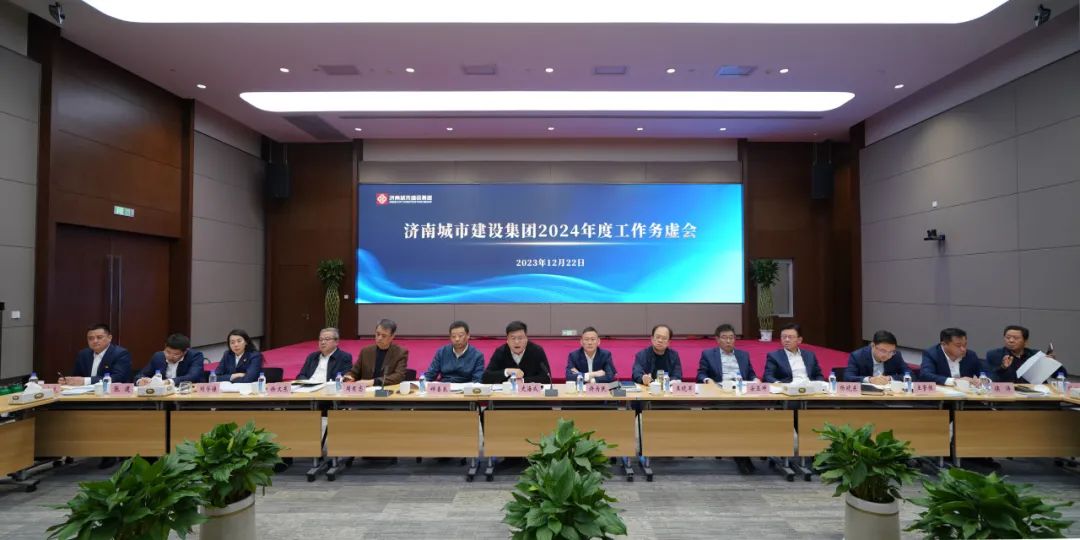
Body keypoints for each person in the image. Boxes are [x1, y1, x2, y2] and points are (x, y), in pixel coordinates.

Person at [696, 323, 758, 474]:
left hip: (742, 394)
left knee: (755, 414)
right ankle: (741, 456)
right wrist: (708, 381)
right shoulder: (708, 354)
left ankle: (744, 452)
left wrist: (756, 380)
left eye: (731, 337)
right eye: (724, 338)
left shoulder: (743, 355)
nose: (728, 341)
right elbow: (701, 374)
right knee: (734, 414)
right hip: (721, 394)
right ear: (717, 339)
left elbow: (751, 374)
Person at [60, 323, 132, 385]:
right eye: (91, 338)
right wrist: (68, 381)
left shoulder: (120, 354)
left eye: (99, 337)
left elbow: (117, 378)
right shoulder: (83, 354)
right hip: (84, 394)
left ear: (110, 338)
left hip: (109, 395)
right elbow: (77, 377)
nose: (95, 341)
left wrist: (85, 381)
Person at [481, 321, 551, 384]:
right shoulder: (501, 352)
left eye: (520, 338)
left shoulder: (537, 351)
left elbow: (547, 378)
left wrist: (522, 381)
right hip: (506, 393)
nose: (516, 342)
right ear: (507, 340)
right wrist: (507, 371)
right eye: (513, 338)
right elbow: (486, 377)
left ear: (526, 339)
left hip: (530, 393)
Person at [985, 325, 1061, 383]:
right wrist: (1003, 367)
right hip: (1009, 394)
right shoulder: (995, 355)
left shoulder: (1036, 355)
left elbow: (1060, 375)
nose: (1011, 340)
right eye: (1008, 337)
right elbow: (991, 378)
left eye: (1016, 338)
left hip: (1036, 394)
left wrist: (1052, 363)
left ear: (1025, 341)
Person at [345, 319, 408, 386]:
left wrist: (373, 382)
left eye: (384, 336)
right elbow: (354, 372)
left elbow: (399, 376)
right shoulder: (366, 351)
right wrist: (349, 377)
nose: (379, 338)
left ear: (392, 336)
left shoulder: (400, 353)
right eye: (378, 334)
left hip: (387, 389)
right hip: (366, 391)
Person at [919, 327, 984, 386]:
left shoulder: (971, 355)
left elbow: (984, 373)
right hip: (942, 393)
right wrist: (955, 381)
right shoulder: (932, 354)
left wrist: (982, 380)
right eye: (958, 345)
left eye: (965, 345)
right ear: (944, 344)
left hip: (966, 394)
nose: (963, 349)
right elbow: (925, 375)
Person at [135, 333, 204, 386]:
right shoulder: (158, 356)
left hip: (186, 393)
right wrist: (140, 381)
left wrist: (169, 381)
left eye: (176, 354)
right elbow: (141, 374)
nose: (170, 356)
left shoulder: (195, 356)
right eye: (168, 352)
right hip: (163, 395)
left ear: (185, 352)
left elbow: (192, 376)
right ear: (165, 346)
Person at [843, 330, 907, 384]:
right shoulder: (857, 356)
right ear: (873, 345)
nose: (887, 355)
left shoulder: (896, 355)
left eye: (891, 351)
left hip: (888, 393)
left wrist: (889, 378)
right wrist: (870, 380)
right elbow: (848, 377)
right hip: (866, 393)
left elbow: (909, 375)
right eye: (883, 351)